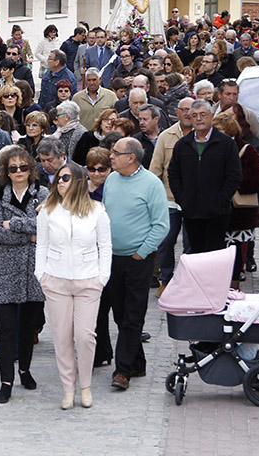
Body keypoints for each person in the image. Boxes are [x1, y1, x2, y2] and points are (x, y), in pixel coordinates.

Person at [36, 161, 111, 409]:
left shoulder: (97, 211)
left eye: (65, 178)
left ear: (78, 181)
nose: (59, 182)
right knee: (62, 337)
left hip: (88, 280)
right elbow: (42, 246)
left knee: (85, 336)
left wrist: (102, 277)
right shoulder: (47, 210)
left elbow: (105, 246)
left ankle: (86, 386)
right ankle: (68, 388)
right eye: (58, 178)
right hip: (56, 280)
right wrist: (41, 275)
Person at [97, 137, 168, 389]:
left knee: (133, 316)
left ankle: (122, 370)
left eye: (116, 152)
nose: (110, 156)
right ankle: (137, 363)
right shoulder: (113, 179)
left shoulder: (151, 184)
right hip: (112, 258)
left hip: (138, 260)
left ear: (131, 157)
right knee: (120, 315)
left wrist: (142, 252)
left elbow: (161, 225)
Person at [0, 145, 48, 403]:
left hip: (34, 270)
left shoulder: (42, 194)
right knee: (7, 328)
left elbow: (46, 227)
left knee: (29, 327)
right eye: (13, 168)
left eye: (24, 167)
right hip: (5, 270)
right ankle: (6, 380)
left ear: (31, 169)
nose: (19, 171)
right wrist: (29, 236)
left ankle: (25, 369)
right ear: (6, 172)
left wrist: (15, 224)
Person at [167, 100, 242, 254]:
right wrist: (183, 199)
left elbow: (234, 175)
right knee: (196, 254)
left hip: (218, 213)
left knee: (214, 255)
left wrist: (221, 200)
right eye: (194, 115)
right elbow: (173, 174)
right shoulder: (182, 144)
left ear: (211, 116)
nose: (199, 119)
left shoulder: (225, 143)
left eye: (203, 114)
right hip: (191, 213)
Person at [212, 112, 259, 288]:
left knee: (235, 255)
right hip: (215, 211)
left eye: (219, 129)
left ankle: (233, 290)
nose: (214, 133)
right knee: (216, 254)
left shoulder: (246, 150)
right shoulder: (211, 148)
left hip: (239, 214)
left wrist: (235, 184)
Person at [148, 97, 194, 291]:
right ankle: (166, 279)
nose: (187, 114)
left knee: (190, 244)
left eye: (190, 110)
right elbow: (155, 169)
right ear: (177, 112)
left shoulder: (203, 136)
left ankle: (188, 280)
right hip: (169, 199)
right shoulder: (166, 136)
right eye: (183, 109)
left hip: (193, 200)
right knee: (166, 242)